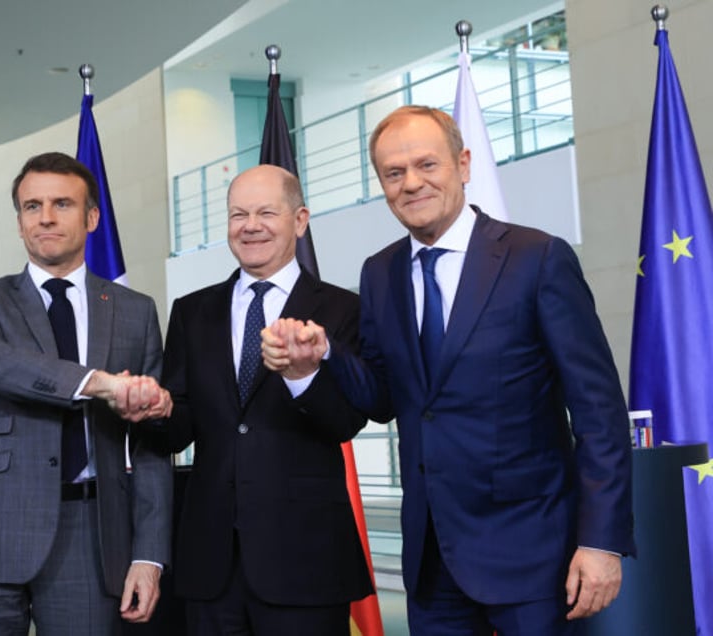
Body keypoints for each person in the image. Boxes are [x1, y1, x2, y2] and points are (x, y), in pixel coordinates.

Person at [261, 106, 635, 635]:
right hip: (432, 564)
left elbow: (598, 411)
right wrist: (324, 356)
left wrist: (600, 541)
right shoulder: (379, 272)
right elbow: (385, 397)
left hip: (534, 558)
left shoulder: (537, 257)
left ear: (463, 164)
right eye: (393, 173)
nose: (411, 183)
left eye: (426, 165)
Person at [0, 152, 173, 635]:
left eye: (62, 203)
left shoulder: (135, 310)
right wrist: (100, 383)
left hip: (92, 537)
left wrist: (149, 555)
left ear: (91, 218)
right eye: (31, 206)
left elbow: (150, 448)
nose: (45, 217)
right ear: (19, 222)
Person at [160, 164, 373, 636]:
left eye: (265, 212)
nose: (249, 225)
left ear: (300, 221)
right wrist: (148, 411)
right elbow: (179, 426)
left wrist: (303, 377)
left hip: (305, 561)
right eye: (238, 214)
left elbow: (348, 421)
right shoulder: (191, 312)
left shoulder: (342, 309)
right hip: (210, 563)